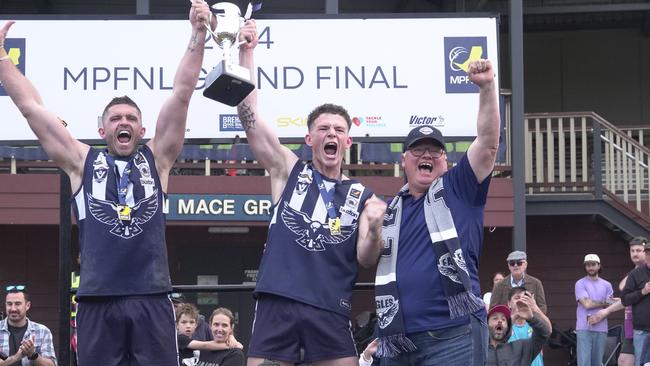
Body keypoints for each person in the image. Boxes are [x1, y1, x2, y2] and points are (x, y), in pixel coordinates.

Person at [0, 2, 210, 364]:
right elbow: (32, 109)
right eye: (115, 118)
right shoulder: (83, 162)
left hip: (152, 297)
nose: (122, 122)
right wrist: (2, 59)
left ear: (142, 130)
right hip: (98, 299)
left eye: (130, 117)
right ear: (102, 129)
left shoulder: (157, 159)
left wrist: (198, 35)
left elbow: (181, 93)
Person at [236, 20, 387, 366]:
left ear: (348, 142)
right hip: (279, 302)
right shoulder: (289, 170)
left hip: (330, 306)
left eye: (338, 130)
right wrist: (247, 52)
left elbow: (366, 257)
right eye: (323, 129)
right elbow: (250, 119)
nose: (330, 134)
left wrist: (377, 228)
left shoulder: (365, 197)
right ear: (309, 139)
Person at [372, 58, 500, 366]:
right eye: (418, 150)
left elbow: (487, 142)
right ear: (404, 160)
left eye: (435, 151)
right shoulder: (389, 212)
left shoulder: (460, 187)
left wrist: (487, 87)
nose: (427, 155)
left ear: (444, 162)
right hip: (397, 339)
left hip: (454, 335)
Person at [590, 236, 647, 366]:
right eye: (632, 251)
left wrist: (607, 311)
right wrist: (607, 307)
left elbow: (623, 287)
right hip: (631, 326)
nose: (635, 254)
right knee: (624, 362)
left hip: (643, 327)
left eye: (639, 250)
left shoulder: (643, 273)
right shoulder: (635, 273)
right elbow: (627, 297)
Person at [486, 295, 551, 366]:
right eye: (495, 318)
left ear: (508, 327)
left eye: (503, 319)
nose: (500, 321)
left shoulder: (523, 347)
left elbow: (544, 334)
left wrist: (531, 319)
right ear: (486, 324)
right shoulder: (477, 351)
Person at [0, 286, 57, 366]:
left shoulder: (42, 331)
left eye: (17, 304)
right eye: (9, 304)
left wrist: (33, 355)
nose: (13, 309)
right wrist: (16, 357)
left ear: (28, 305)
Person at [574, 254, 614, 366]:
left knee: (597, 362)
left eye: (593, 265)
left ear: (599, 265)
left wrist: (607, 303)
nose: (590, 268)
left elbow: (612, 306)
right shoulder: (580, 283)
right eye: (588, 265)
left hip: (601, 328)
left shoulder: (607, 285)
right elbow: (587, 304)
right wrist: (605, 302)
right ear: (585, 267)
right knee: (584, 362)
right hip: (584, 327)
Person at [176, 303, 242, 366]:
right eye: (216, 324)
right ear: (210, 326)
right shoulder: (178, 339)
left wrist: (231, 337)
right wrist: (232, 345)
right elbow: (204, 345)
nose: (188, 326)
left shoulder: (235, 354)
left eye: (224, 325)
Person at [621, 240, 650, 366]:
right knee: (640, 363)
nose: (649, 256)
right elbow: (625, 299)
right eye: (647, 253)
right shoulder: (635, 274)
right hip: (641, 330)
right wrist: (642, 291)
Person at [507, 287, 546, 366]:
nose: (521, 301)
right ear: (509, 303)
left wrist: (535, 308)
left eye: (525, 298)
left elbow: (548, 330)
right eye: (517, 298)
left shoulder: (535, 324)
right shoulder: (505, 326)